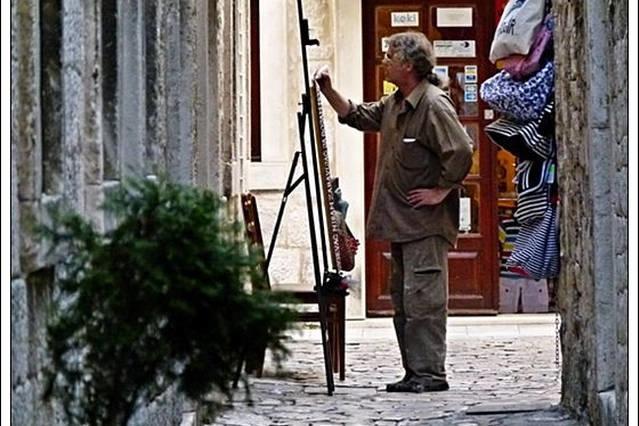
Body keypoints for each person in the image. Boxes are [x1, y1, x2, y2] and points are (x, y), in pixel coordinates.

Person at [314, 31, 473, 393]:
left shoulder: (433, 105)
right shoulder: (397, 103)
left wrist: (441, 190)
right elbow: (357, 115)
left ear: (407, 65)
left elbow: (461, 150)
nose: (383, 60)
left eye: (389, 56)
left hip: (425, 225)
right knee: (405, 301)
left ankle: (431, 375)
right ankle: (415, 372)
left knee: (424, 302)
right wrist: (327, 90)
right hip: (402, 223)